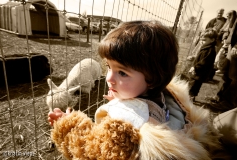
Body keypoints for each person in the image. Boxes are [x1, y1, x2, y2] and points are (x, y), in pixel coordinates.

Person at [48, 21, 229, 159]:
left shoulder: (126, 128)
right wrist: (122, 99)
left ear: (151, 78)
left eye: (123, 73)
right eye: (108, 67)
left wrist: (67, 125)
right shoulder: (166, 96)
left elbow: (92, 150)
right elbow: (149, 110)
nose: (109, 77)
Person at [206, 16, 237, 112]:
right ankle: (220, 97)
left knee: (235, 77)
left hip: (235, 48)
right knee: (226, 74)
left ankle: (228, 103)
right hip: (231, 46)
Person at [188, 28, 218, 101]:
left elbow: (204, 62)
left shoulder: (210, 50)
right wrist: (194, 57)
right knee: (193, 85)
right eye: (202, 39)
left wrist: (195, 67)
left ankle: (189, 99)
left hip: (199, 73)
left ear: (212, 40)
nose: (202, 41)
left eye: (205, 40)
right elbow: (201, 58)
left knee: (193, 86)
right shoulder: (206, 47)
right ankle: (191, 97)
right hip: (199, 73)